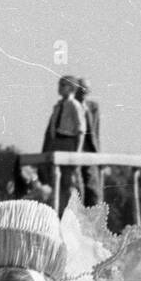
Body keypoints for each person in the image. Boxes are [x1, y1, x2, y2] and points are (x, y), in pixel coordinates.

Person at [42, 76, 89, 208]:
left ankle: (73, 210)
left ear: (71, 87)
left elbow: (81, 129)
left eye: (63, 85)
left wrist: (77, 151)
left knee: (70, 180)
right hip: (56, 142)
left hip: (69, 142)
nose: (59, 88)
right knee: (56, 178)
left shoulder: (74, 105)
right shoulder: (58, 106)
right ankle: (58, 208)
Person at [76, 78, 101, 208]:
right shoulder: (71, 105)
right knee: (78, 189)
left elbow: (96, 132)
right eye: (81, 89)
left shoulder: (93, 107)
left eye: (86, 89)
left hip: (89, 151)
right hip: (75, 151)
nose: (83, 92)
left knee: (93, 190)